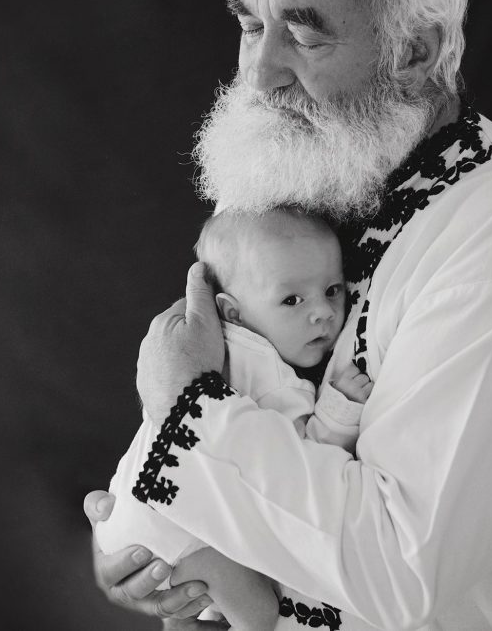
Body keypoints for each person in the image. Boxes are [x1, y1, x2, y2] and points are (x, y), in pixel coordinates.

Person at [84, 0, 492, 630]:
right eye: (251, 26)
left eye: (305, 36)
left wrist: (186, 414)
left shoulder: (490, 238)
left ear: (416, 52)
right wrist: (150, 540)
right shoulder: (302, 169)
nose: (259, 75)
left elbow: (403, 573)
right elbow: (231, 413)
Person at [95, 207, 372, 630]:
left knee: (218, 603)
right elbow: (297, 470)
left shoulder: (206, 344)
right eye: (292, 300)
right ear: (234, 313)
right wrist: (338, 412)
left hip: (129, 515)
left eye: (333, 290)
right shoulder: (275, 379)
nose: (324, 312)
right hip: (172, 529)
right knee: (259, 616)